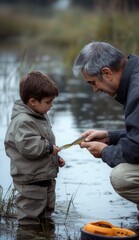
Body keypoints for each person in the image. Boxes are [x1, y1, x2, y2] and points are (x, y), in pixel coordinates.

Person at [72, 41, 139, 233]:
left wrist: (105, 151)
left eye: (92, 83)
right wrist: (109, 136)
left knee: (123, 177)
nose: (94, 89)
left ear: (107, 73)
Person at [4, 71, 65, 228]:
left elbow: (44, 142)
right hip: (30, 179)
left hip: (44, 176)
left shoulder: (39, 115)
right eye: (48, 102)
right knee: (29, 216)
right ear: (32, 101)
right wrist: (49, 148)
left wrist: (55, 158)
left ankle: (45, 231)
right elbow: (28, 147)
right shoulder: (23, 121)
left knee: (47, 210)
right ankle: (27, 234)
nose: (51, 105)